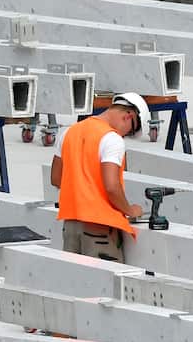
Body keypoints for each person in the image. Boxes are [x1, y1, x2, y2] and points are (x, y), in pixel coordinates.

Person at [50, 92, 149, 263]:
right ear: (129, 116)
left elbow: (56, 178)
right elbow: (111, 186)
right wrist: (130, 210)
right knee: (106, 287)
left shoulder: (69, 132)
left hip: (71, 225)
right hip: (100, 230)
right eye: (130, 131)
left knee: (75, 284)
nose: (126, 135)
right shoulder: (112, 139)